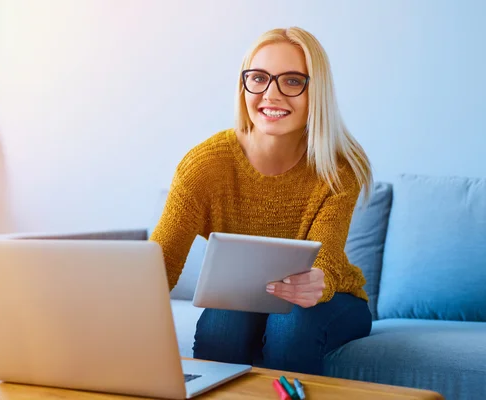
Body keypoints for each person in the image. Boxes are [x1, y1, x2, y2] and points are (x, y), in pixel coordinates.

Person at [149, 26, 373, 376]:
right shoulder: (206, 165)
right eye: (259, 78)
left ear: (317, 92)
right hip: (246, 296)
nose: (271, 94)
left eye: (292, 81)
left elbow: (326, 261)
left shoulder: (337, 167)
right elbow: (159, 263)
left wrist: (320, 280)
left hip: (331, 299)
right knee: (220, 326)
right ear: (244, 85)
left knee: (291, 327)